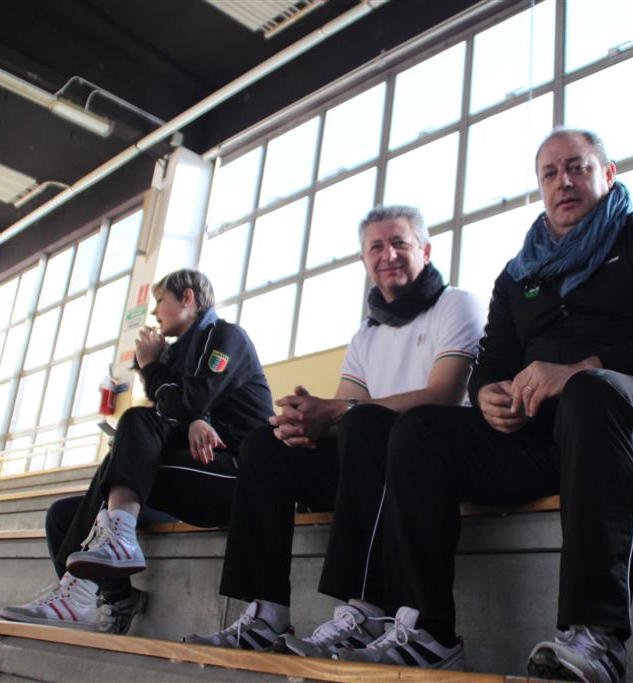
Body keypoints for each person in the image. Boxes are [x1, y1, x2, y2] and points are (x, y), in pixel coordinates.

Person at [336, 128, 633, 680]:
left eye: (578, 167)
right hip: (555, 440)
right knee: (419, 430)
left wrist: (580, 370)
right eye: (550, 173)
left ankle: (597, 639)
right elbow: (490, 366)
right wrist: (488, 397)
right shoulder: (518, 276)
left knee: (591, 392)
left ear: (608, 174)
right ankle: (426, 633)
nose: (564, 181)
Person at [185, 205, 485, 662]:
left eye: (399, 243)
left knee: (364, 423)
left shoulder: (456, 304)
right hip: (367, 463)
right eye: (376, 247)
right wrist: (304, 419)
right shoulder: (367, 333)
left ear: (425, 250)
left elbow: (442, 394)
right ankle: (266, 615)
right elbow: (343, 409)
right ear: (364, 260)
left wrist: (338, 411)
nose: (387, 255)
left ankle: (365, 611)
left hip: (424, 465)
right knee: (264, 443)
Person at [0, 268, 273, 634]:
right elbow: (174, 411)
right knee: (62, 515)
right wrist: (177, 405)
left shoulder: (226, 336)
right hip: (192, 469)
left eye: (160, 301)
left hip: (237, 473)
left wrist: (153, 369)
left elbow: (190, 400)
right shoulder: (176, 357)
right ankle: (116, 596)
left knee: (134, 427)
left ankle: (79, 590)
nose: (155, 312)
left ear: (187, 298)